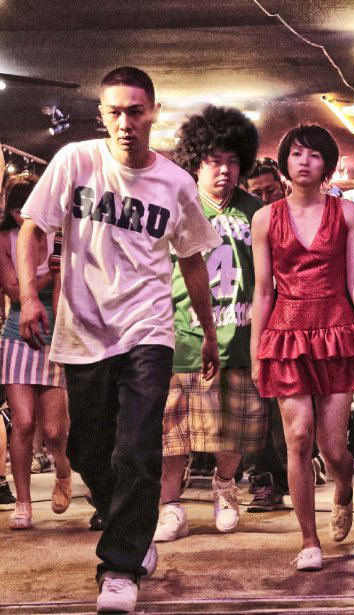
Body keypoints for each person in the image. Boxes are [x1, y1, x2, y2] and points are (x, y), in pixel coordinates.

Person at [17, 66, 221, 613]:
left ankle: (120, 566)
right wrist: (31, 297)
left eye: (135, 111)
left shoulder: (175, 183)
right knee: (86, 447)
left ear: (153, 112)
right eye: (115, 112)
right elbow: (33, 227)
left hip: (147, 330)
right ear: (102, 115)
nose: (126, 122)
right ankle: (133, 527)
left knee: (136, 447)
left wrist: (207, 331)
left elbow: (192, 260)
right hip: (82, 329)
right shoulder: (75, 161)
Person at [250, 123, 354, 571]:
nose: (304, 161)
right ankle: (309, 540)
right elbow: (263, 291)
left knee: (332, 445)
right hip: (286, 333)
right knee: (298, 436)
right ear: (285, 162)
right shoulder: (265, 218)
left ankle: (343, 487)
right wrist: (256, 352)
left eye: (313, 154)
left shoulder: (346, 213)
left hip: (336, 330)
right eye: (296, 153)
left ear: (326, 164)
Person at [153, 105, 268, 542]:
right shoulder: (177, 208)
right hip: (183, 334)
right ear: (196, 162)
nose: (224, 170)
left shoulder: (257, 212)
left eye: (232, 161)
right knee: (173, 431)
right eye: (214, 160)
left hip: (240, 335)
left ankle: (225, 487)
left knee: (232, 428)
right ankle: (169, 506)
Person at [0, 174, 71, 530]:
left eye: (25, 208)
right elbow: (14, 291)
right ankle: (24, 503)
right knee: (24, 422)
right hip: (17, 334)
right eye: (15, 210)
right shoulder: (5, 239)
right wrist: (52, 271)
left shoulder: (61, 234)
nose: (21, 216)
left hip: (56, 336)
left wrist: (52, 272)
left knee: (55, 431)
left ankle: (63, 470)